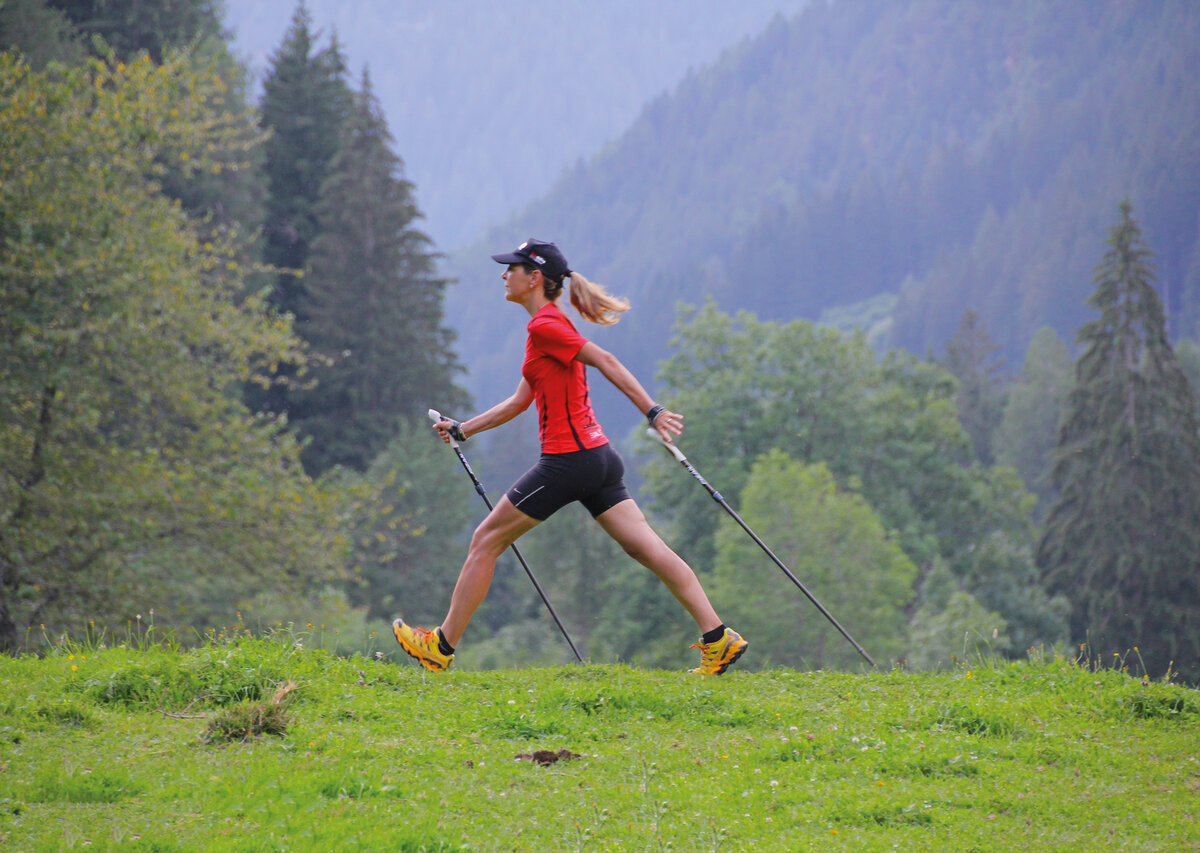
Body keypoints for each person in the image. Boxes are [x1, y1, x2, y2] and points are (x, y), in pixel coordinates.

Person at [392, 239, 747, 675]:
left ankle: (439, 647)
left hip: (568, 461)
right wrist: (464, 428)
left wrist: (651, 411)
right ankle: (718, 637)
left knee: (486, 540)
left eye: (512, 269)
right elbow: (521, 400)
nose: (505, 275)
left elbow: (606, 359)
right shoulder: (545, 327)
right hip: (598, 458)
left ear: (534, 277)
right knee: (648, 549)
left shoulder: (546, 327)